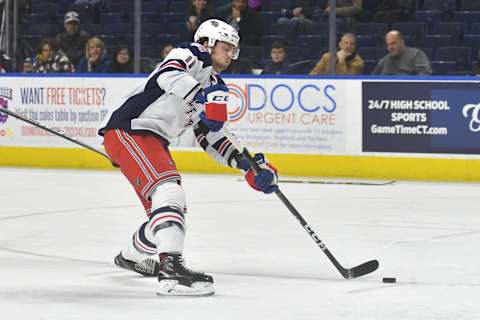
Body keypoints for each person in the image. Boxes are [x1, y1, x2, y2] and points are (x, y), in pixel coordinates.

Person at [98, 19, 278, 296]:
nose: (230, 55)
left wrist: (247, 165)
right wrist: (204, 96)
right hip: (131, 129)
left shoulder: (216, 84)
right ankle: (171, 272)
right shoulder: (191, 54)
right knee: (170, 191)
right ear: (207, 42)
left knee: (166, 214)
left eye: (234, 50)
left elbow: (212, 136)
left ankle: (130, 256)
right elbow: (167, 74)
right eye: (226, 47)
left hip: (151, 140)